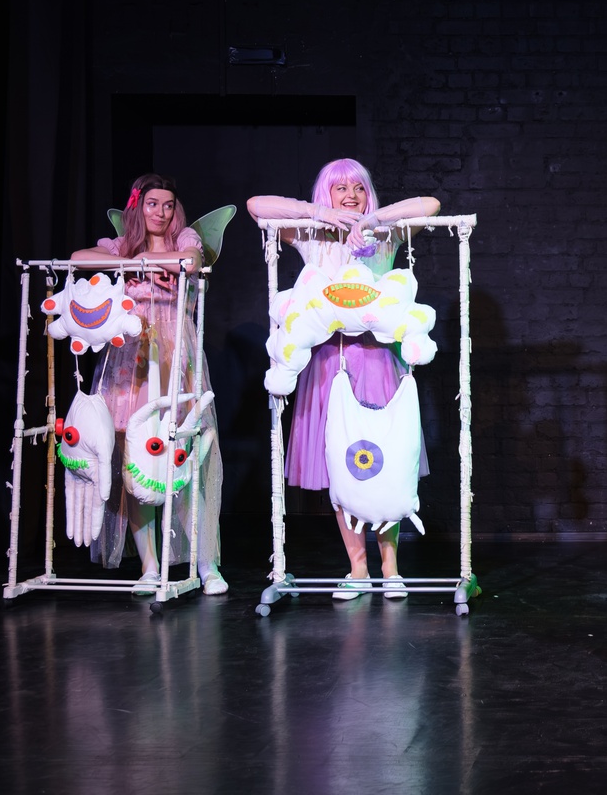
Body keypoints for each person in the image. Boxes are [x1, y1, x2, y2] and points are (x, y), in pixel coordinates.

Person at [247, 158, 440, 600]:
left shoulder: (386, 234)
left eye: (358, 188)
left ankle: (390, 568)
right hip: (328, 364)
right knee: (341, 465)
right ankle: (358, 569)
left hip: (376, 358)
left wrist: (371, 221)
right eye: (340, 189)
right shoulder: (310, 234)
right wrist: (318, 214)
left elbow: (430, 204)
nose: (350, 195)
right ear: (327, 194)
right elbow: (256, 205)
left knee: (385, 461)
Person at [71, 173, 228, 595]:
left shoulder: (185, 239)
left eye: (168, 204)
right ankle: (148, 566)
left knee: (183, 456)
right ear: (138, 207)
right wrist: (131, 261)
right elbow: (78, 257)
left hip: (173, 354)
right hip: (132, 361)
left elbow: (190, 263)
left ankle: (206, 564)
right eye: (153, 204)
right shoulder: (122, 246)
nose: (161, 212)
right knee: (137, 461)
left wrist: (147, 261)